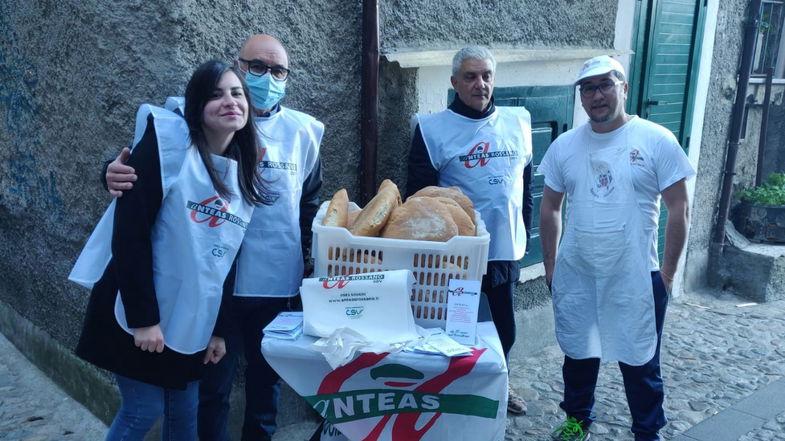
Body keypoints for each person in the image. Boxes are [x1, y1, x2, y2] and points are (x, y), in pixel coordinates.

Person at [103, 34, 324, 441]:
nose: (266, 78)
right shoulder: (192, 119)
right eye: (256, 67)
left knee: (263, 391)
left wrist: (308, 261)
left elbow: (308, 203)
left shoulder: (304, 131)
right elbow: (152, 158)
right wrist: (110, 172)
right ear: (237, 65)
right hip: (207, 288)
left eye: (278, 71)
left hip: (274, 283)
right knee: (206, 393)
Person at [71, 60, 268, 441]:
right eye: (215, 94)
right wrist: (144, 318)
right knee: (142, 411)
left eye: (236, 92)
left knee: (184, 413)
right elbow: (129, 235)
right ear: (195, 106)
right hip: (136, 309)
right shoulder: (166, 146)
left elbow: (224, 261)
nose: (229, 101)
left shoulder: (242, 170)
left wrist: (218, 331)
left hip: (189, 315)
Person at [539, 55, 694, 441]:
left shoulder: (656, 139)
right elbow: (550, 207)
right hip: (579, 273)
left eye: (605, 84)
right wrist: (551, 267)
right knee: (578, 353)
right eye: (587, 88)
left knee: (640, 359)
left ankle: (647, 430)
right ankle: (577, 419)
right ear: (581, 97)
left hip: (636, 275)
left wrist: (668, 275)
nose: (597, 95)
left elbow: (680, 208)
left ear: (623, 88)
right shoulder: (565, 146)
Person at [405, 46, 534, 415]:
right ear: (454, 82)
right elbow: (420, 200)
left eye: (487, 76)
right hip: (456, 255)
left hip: (503, 246)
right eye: (471, 77)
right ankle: (451, 392)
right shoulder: (432, 131)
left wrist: (522, 230)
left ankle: (500, 386)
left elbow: (523, 185)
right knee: (457, 329)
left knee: (504, 330)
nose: (481, 84)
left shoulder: (517, 123)